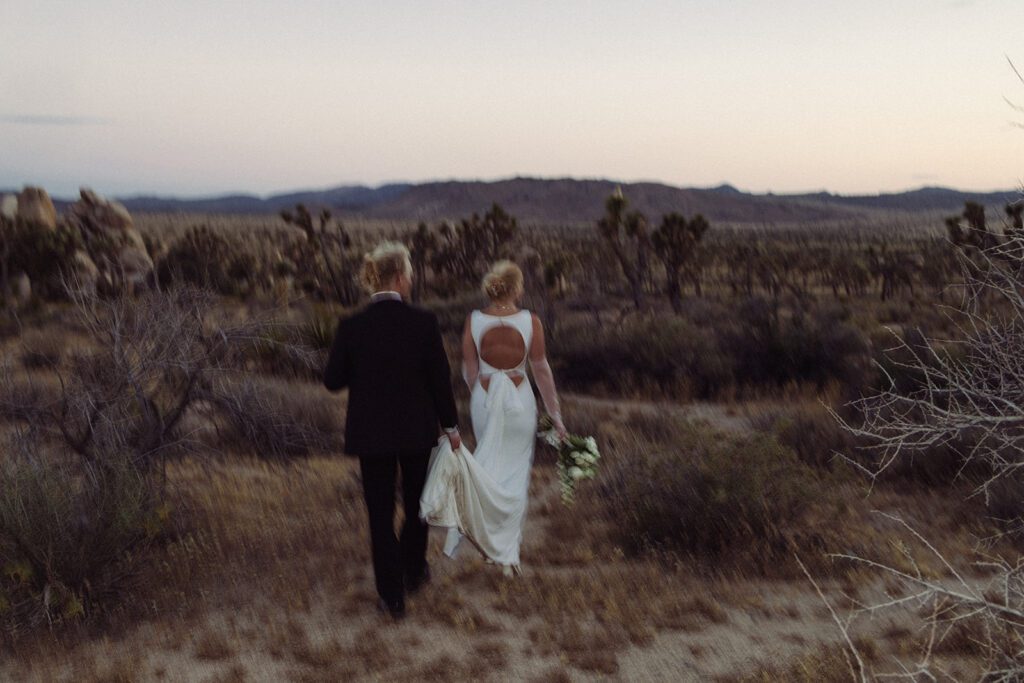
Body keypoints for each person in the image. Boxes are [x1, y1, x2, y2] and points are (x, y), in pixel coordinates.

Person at [323, 241, 460, 620]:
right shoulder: (424, 323)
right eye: (411, 275)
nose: (412, 281)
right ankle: (413, 572)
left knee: (380, 514)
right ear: (400, 277)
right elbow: (440, 381)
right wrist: (451, 426)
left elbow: (332, 381)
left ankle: (391, 596)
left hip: (372, 434)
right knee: (418, 505)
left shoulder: (351, 326)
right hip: (417, 432)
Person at [420, 260, 565, 577]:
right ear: (515, 288)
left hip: (485, 402)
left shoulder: (473, 320)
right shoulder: (531, 321)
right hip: (520, 402)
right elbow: (540, 369)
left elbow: (469, 370)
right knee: (516, 475)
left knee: (487, 469)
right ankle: (507, 555)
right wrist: (556, 415)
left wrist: (483, 396)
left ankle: (486, 538)